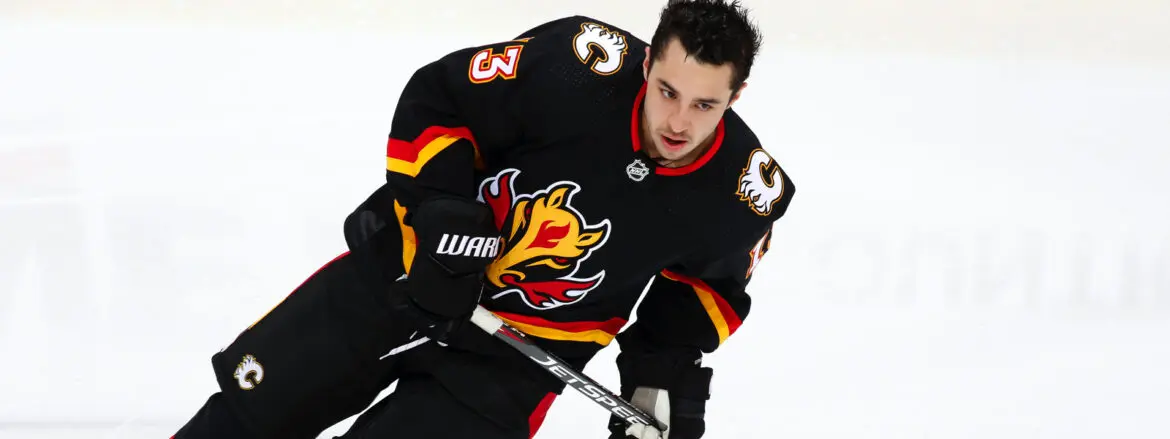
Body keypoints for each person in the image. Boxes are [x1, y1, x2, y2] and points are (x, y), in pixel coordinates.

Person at [170, 1, 794, 438]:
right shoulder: (575, 66)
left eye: (705, 104)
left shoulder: (741, 192)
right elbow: (440, 100)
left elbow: (704, 288)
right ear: (647, 64)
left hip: (508, 370)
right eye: (666, 91)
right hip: (405, 280)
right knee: (246, 418)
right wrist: (439, 210)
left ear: (735, 97)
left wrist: (660, 373)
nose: (678, 123)